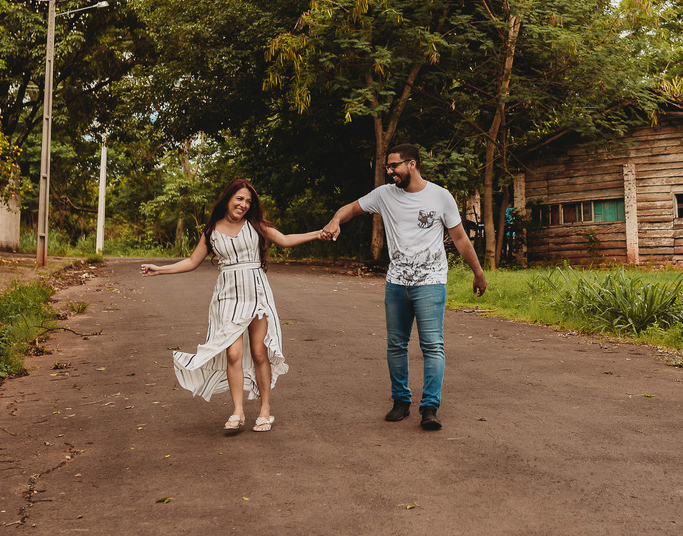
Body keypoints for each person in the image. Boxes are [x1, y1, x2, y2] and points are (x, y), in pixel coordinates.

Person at [323, 144, 487, 431]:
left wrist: (478, 272)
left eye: (394, 165)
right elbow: (351, 208)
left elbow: (460, 238)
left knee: (432, 346)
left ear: (412, 164)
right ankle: (401, 401)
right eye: (388, 166)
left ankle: (430, 407)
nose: (389, 171)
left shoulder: (440, 196)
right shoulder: (384, 194)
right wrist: (336, 220)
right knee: (396, 344)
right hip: (397, 282)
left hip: (431, 282)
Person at [141, 179, 326, 433]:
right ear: (228, 198)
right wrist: (160, 270)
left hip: (257, 294)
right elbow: (192, 261)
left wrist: (319, 233)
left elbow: (284, 239)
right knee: (233, 354)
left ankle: (264, 411)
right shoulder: (211, 231)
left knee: (260, 352)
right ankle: (238, 411)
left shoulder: (256, 225)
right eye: (239, 199)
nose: (243, 205)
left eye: (248, 201)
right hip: (227, 297)